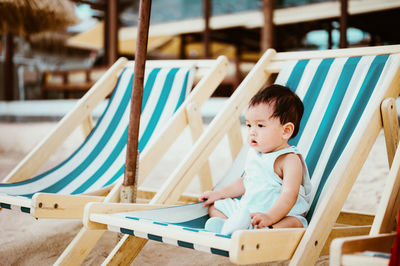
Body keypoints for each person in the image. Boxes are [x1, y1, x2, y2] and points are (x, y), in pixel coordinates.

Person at [199, 84, 312, 235]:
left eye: (260, 125)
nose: (252, 132)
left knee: (295, 223)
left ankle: (261, 231)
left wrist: (269, 217)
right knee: (215, 206)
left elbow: (289, 196)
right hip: (248, 211)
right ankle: (228, 226)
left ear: (285, 131)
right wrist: (218, 194)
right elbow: (244, 182)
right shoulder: (254, 154)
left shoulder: (289, 160)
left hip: (278, 214)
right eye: (248, 125)